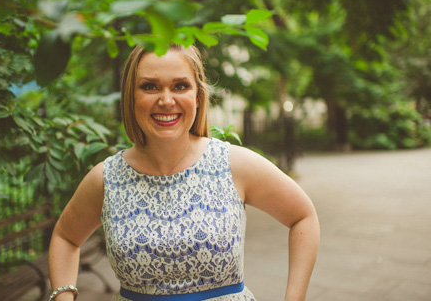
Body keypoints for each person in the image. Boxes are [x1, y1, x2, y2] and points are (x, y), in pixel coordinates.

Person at [48, 44, 320, 301]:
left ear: (198, 97)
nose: (166, 100)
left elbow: (303, 216)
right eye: (150, 87)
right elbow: (65, 238)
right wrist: (63, 295)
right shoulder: (106, 179)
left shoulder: (233, 165)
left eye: (180, 86)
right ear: (131, 96)